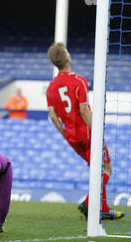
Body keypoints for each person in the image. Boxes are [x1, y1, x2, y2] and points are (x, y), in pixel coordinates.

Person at [46, 42, 124, 220]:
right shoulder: (79, 80)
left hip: (72, 137)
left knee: (97, 169)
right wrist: (96, 131)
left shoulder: (51, 87)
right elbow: (83, 109)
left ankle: (102, 209)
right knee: (106, 168)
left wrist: (65, 134)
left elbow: (52, 116)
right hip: (87, 133)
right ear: (67, 58)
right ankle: (88, 202)